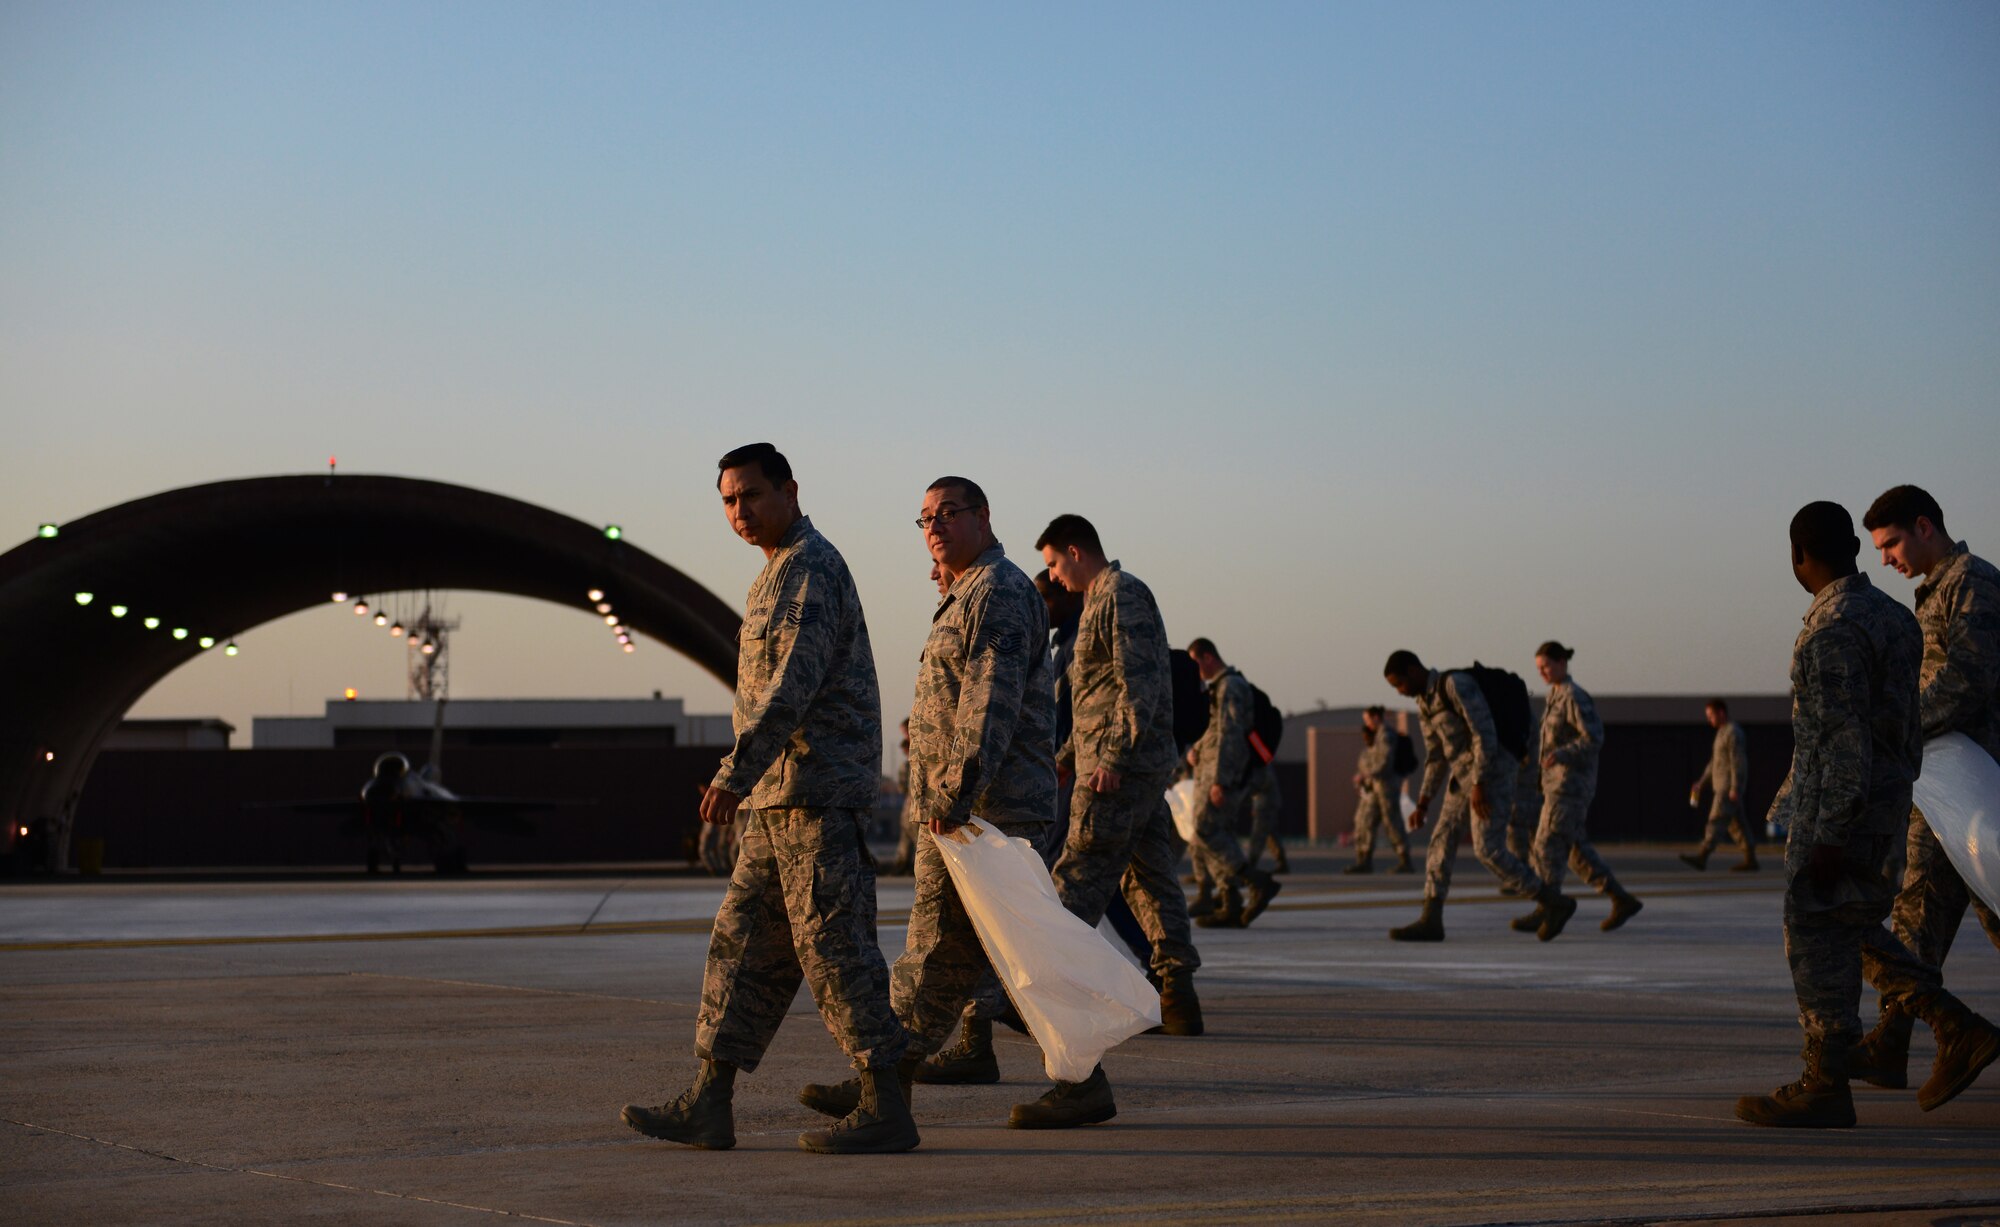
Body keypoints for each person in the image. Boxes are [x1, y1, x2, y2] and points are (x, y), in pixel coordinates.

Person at [621, 442, 915, 1155]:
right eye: (727, 500)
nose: (739, 511)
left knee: (838, 952)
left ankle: (887, 1103)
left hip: (815, 797)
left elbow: (793, 683)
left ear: (788, 490)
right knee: (741, 946)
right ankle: (709, 1100)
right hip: (777, 803)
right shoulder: (772, 575)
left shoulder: (810, 567)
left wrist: (736, 770)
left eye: (750, 495)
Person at [798, 476, 1057, 1116]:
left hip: (986, 810)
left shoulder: (995, 591)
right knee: (997, 957)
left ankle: (881, 1088)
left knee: (937, 953)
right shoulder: (968, 592)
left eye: (947, 514)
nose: (934, 528)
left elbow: (990, 702)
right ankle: (1081, 1082)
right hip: (973, 806)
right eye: (924, 520)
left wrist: (953, 794)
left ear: (984, 516)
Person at [1736, 501, 1999, 1127]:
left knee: (1812, 928)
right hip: (1898, 799)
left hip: (1851, 808)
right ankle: (1945, 1028)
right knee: (1854, 925)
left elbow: (1843, 738)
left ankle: (1826, 1080)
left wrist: (1829, 832)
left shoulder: (1834, 628)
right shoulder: (1894, 617)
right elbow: (1904, 722)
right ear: (1855, 547)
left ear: (1800, 557)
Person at [1019, 513, 1205, 1127]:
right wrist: (1066, 759)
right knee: (1147, 877)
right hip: (1116, 762)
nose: (1053, 577)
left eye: (1053, 564)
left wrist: (1114, 759)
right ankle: (1176, 994)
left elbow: (1140, 684)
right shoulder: (1098, 600)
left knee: (1079, 878)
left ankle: (1053, 1004)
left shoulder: (1122, 595)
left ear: (1076, 550)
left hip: (1122, 767)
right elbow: (1096, 698)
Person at [1849, 485, 2000, 1091]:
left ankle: (1903, 1042)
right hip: (1943, 783)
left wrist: (1895, 728)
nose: (1884, 559)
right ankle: (1892, 1043)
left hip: (1973, 786)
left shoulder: (1973, 583)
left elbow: (1968, 683)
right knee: (1917, 915)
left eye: (1889, 544)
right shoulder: (1939, 591)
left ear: (1923, 526)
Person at [1381, 650, 1575, 942]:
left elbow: (1484, 735)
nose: (1400, 691)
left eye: (1399, 684)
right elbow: (1436, 757)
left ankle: (1553, 902)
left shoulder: (1456, 686)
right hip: (1464, 778)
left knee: (1489, 849)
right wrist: (1423, 801)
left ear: (1413, 671)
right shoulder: (1425, 703)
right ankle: (1431, 918)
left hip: (1492, 770)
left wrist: (1480, 783)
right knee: (1441, 840)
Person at [1512, 642, 1641, 935]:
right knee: (1573, 850)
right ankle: (1620, 898)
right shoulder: (1554, 697)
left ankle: (1549, 908)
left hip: (1570, 786)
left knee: (1546, 844)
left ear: (1561, 663)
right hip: (1553, 785)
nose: (1542, 673)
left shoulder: (1574, 697)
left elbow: (1593, 737)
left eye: (1546, 666)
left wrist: (1563, 754)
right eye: (1538, 669)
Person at [1182, 639, 1283, 928]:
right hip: (1211, 771)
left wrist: (1221, 782)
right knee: (1212, 831)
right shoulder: (1218, 688)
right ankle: (1231, 901)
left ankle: (1255, 881)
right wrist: (1198, 749)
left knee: (1204, 829)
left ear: (1208, 657)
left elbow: (1230, 735)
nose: (1195, 671)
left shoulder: (1231, 688)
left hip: (1223, 776)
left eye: (1196, 662)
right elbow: (1214, 731)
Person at [1684, 699, 1757, 871]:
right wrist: (1701, 782)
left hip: (1727, 788)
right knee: (1737, 824)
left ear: (1721, 713)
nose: (1709, 720)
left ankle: (1702, 856)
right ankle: (1750, 859)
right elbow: (1714, 763)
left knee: (1715, 820)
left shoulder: (1733, 733)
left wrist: (1735, 787)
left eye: (1711, 716)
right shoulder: (1721, 733)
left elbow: (1738, 761)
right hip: (1723, 786)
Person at [1346, 706, 1410, 874]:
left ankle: (1405, 861)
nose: (1366, 723)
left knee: (1392, 823)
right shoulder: (1377, 736)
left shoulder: (1386, 735)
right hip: (1375, 787)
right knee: (1363, 820)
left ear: (1375, 717)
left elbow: (1384, 763)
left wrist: (1366, 775)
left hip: (1386, 787)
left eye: (1367, 719)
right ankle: (1363, 861)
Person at [888, 718, 919, 875]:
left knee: (916, 836)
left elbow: (903, 786)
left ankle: (908, 863)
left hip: (916, 803)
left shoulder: (918, 750)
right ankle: (903, 863)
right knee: (907, 835)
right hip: (910, 803)